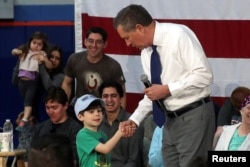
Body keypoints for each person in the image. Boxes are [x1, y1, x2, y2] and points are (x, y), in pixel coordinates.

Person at [114, 4, 215, 167]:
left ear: (139, 28)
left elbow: (204, 75)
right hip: (169, 121)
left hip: (194, 116)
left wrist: (167, 89)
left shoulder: (178, 35)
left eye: (127, 37)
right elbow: (153, 94)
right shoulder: (146, 53)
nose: (127, 44)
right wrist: (134, 120)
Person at [62, 27, 126, 111]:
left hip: (103, 110)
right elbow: (67, 83)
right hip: (79, 109)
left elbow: (122, 93)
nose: (94, 45)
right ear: (85, 42)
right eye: (91, 41)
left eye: (98, 42)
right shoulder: (74, 59)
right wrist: (63, 105)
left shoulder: (113, 66)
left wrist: (120, 117)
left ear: (105, 44)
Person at [30, 86, 82, 167]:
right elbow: (30, 156)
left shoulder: (76, 130)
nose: (50, 112)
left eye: (54, 107)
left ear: (65, 105)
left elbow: (75, 160)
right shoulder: (39, 129)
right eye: (47, 108)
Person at [11, 31, 52, 132]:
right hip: (21, 80)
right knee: (26, 101)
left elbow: (50, 65)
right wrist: (16, 52)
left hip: (32, 81)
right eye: (34, 43)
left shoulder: (41, 54)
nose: (36, 46)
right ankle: (28, 119)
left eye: (39, 44)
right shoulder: (24, 50)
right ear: (30, 42)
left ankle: (24, 120)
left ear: (43, 46)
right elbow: (13, 51)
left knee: (28, 101)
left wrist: (44, 60)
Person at [98, 81, 144, 167]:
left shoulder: (132, 123)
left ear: (121, 98)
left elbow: (134, 161)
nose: (109, 100)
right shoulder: (97, 123)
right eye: (105, 96)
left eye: (113, 96)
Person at [74, 94, 124, 167]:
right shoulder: (82, 135)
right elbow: (105, 149)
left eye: (99, 110)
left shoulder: (103, 135)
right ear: (80, 116)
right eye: (91, 112)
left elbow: (107, 160)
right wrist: (120, 132)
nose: (97, 114)